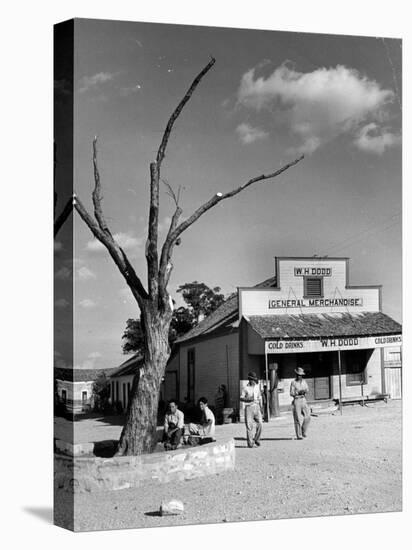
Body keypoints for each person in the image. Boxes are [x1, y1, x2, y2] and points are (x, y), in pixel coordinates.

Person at [240, 371, 263, 448]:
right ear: (249, 379)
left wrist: (261, 406)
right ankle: (250, 443)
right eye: (252, 379)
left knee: (260, 423)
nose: (253, 381)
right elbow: (241, 398)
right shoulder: (245, 388)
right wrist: (248, 399)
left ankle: (256, 439)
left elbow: (260, 397)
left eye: (254, 379)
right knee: (249, 426)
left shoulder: (257, 386)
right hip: (249, 407)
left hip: (256, 406)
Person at [290, 367, 311, 440]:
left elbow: (307, 389)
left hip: (303, 399)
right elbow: (291, 393)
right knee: (297, 419)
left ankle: (303, 431)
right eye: (298, 375)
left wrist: (304, 391)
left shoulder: (304, 382)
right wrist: (298, 392)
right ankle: (299, 435)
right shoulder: (293, 382)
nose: (299, 376)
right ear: (296, 375)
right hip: (297, 400)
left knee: (308, 416)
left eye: (301, 375)